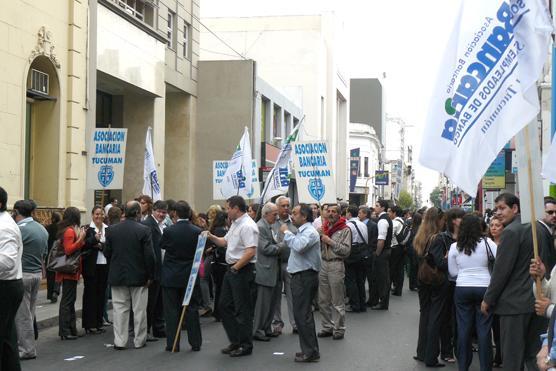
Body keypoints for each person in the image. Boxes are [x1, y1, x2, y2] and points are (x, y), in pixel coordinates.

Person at [482, 193, 549, 370]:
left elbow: (501, 271)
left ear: (515, 208)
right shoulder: (538, 228)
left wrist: (488, 299)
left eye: (502, 208)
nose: (498, 212)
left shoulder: (511, 231)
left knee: (512, 357)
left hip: (514, 304)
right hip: (537, 301)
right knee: (534, 355)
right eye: (496, 209)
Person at [208, 196, 258, 357]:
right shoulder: (236, 224)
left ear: (236, 208)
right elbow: (224, 242)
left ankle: (245, 345)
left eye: (228, 207)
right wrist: (210, 237)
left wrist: (236, 268)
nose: (226, 210)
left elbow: (251, 251)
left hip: (241, 269)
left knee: (242, 309)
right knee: (224, 306)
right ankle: (235, 340)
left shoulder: (248, 226)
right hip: (232, 269)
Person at [448, 214, 497, 371]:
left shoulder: (455, 247)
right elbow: (500, 263)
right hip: (485, 288)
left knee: (463, 329)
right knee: (484, 330)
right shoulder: (488, 243)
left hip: (462, 287)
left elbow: (452, 272)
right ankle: (485, 367)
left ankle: (463, 365)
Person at [104, 201, 155, 350]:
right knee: (139, 310)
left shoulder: (112, 230)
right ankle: (139, 340)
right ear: (138, 213)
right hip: (139, 276)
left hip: (118, 275)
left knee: (120, 309)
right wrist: (150, 275)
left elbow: (107, 253)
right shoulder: (144, 230)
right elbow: (149, 256)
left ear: (124, 213)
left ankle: (120, 341)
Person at [159, 200, 202, 352]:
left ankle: (173, 343)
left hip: (171, 275)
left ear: (175, 214)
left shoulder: (169, 231)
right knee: (191, 309)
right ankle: (195, 342)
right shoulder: (197, 231)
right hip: (190, 275)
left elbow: (162, 245)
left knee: (171, 311)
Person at [281, 204, 321, 362]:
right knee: (302, 315)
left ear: (304, 216)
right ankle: (310, 349)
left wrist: (286, 232)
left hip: (304, 277)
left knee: (302, 315)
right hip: (300, 276)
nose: (292, 215)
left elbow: (299, 247)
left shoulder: (310, 232)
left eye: (295, 213)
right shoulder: (302, 231)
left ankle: (310, 352)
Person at [12, 200, 47, 360]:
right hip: (36, 274)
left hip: (23, 274)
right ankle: (28, 345)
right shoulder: (42, 229)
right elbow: (43, 254)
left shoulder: (18, 230)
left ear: (17, 212)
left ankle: (27, 349)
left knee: (23, 314)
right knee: (30, 312)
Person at [413, 206, 446, 367]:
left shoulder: (420, 235)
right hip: (435, 279)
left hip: (422, 277)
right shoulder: (437, 238)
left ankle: (421, 352)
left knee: (425, 314)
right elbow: (439, 262)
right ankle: (431, 357)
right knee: (435, 316)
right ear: (438, 220)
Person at [317, 203, 351, 340]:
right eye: (328, 211)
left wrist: (329, 241)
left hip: (336, 264)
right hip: (323, 263)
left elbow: (346, 251)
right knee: (323, 300)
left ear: (339, 214)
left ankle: (339, 329)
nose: (330, 213)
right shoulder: (323, 228)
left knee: (337, 300)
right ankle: (327, 327)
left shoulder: (345, 230)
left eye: (334, 211)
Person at [0, 187, 24, 371]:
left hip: (5, 287)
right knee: (7, 338)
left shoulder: (5, 227)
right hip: (7, 285)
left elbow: (7, 261)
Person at [56, 207, 86, 340]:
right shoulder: (69, 231)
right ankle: (65, 330)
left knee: (70, 300)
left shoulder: (69, 230)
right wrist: (80, 240)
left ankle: (71, 328)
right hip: (68, 271)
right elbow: (69, 250)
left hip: (71, 271)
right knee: (67, 301)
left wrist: (80, 239)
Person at [253, 202, 282, 341]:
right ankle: (258, 329)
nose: (277, 217)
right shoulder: (260, 227)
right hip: (265, 269)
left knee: (272, 302)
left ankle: (266, 327)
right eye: (274, 214)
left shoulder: (270, 225)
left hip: (273, 269)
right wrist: (282, 245)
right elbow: (266, 248)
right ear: (265, 214)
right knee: (263, 303)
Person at [142, 200, 168, 340]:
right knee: (150, 302)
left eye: (164, 212)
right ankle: (146, 330)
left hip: (161, 267)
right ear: (153, 210)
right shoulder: (147, 225)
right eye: (159, 212)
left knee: (159, 301)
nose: (161, 214)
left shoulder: (162, 225)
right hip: (153, 269)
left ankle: (158, 327)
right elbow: (148, 251)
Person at [82, 206, 109, 335]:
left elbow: (109, 246)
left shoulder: (107, 229)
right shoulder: (87, 229)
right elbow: (83, 245)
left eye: (101, 214)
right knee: (90, 295)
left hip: (103, 265)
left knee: (101, 294)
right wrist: (94, 240)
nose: (99, 216)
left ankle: (98, 322)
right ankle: (89, 324)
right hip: (91, 266)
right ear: (92, 215)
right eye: (97, 214)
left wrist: (101, 245)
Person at [272, 196, 297, 334]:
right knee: (275, 295)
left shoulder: (294, 223)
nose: (286, 208)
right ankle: (277, 323)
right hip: (275, 263)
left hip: (290, 262)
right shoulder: (271, 222)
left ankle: (294, 323)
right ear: (277, 207)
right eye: (283, 206)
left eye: (288, 205)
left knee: (292, 294)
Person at [369, 200, 393, 310]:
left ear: (383, 208)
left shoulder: (383, 221)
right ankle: (376, 300)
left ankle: (383, 303)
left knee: (382, 279)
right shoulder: (383, 219)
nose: (375, 207)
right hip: (385, 251)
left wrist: (377, 253)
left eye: (377, 206)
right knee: (379, 277)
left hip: (382, 252)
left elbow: (381, 240)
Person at [345, 204, 369, 313]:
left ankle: (354, 304)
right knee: (360, 280)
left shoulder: (347, 225)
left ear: (349, 213)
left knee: (351, 280)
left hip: (352, 252)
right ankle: (362, 304)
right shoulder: (363, 224)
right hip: (363, 251)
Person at [488, 215, 504, 368]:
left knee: (501, 325)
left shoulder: (506, 244)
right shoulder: (487, 244)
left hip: (503, 290)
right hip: (489, 287)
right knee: (494, 324)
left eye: (497, 225)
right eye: (492, 225)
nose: (493, 228)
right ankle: (497, 354)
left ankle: (500, 354)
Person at [207, 210, 228, 322]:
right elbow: (221, 246)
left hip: (217, 263)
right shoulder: (221, 230)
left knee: (219, 288)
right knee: (221, 289)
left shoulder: (215, 229)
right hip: (221, 263)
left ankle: (218, 311)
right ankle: (219, 312)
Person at [388, 205, 406, 296]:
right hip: (401, 247)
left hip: (395, 248)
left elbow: (390, 235)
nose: (388, 213)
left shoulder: (395, 222)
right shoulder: (402, 221)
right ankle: (398, 289)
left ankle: (388, 289)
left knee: (391, 269)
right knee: (399, 269)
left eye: (390, 212)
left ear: (394, 213)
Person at [45, 212, 61, 303]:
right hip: (59, 254)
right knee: (58, 274)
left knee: (50, 275)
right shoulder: (62, 228)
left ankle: (50, 294)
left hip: (50, 254)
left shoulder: (48, 228)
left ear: (53, 219)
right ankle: (56, 291)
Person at [407, 212, 422, 292]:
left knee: (413, 267)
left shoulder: (411, 228)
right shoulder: (421, 229)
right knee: (418, 267)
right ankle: (416, 284)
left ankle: (411, 284)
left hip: (411, 249)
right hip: (418, 250)